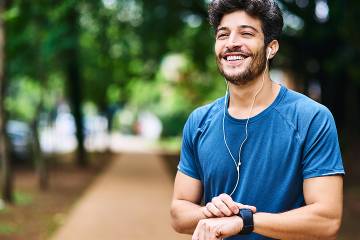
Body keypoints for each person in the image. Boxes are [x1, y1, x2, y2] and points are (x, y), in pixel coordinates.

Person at [170, 0, 345, 239]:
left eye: (246, 33)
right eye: (223, 35)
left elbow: (327, 220)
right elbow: (179, 213)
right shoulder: (199, 121)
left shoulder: (311, 118)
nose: (231, 43)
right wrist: (211, 213)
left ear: (271, 47)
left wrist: (244, 221)